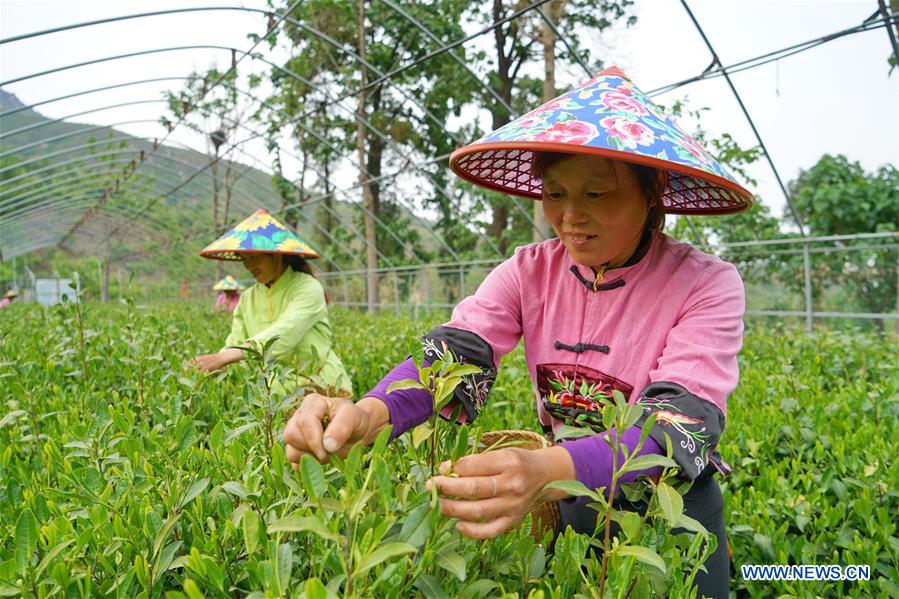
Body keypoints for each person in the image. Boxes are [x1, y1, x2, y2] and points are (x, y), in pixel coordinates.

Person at [282, 67, 751, 597]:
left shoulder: (706, 283)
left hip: (673, 513)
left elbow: (678, 423)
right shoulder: (529, 270)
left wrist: (544, 470)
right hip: (568, 497)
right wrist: (370, 412)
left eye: (598, 194)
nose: (571, 217)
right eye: (554, 194)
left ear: (653, 191)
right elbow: (457, 355)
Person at [191, 209, 352, 397]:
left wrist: (226, 356)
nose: (249, 265)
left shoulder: (307, 287)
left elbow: (286, 330)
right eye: (244, 260)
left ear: (275, 255)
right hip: (273, 392)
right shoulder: (247, 298)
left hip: (320, 384)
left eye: (254, 257)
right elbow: (235, 341)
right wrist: (214, 364)